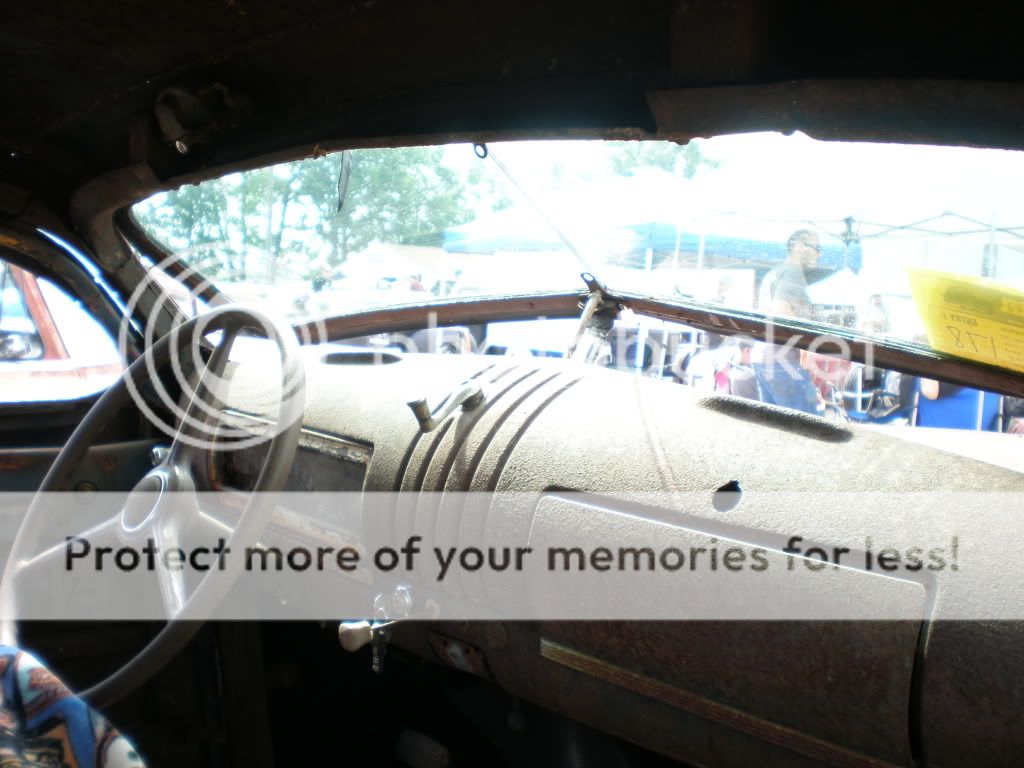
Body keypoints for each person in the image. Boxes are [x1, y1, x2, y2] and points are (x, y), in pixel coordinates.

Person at [757, 229, 822, 321]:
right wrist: (802, 329)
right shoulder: (793, 273)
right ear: (800, 246)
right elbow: (780, 308)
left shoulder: (777, 271)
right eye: (817, 248)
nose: (820, 255)